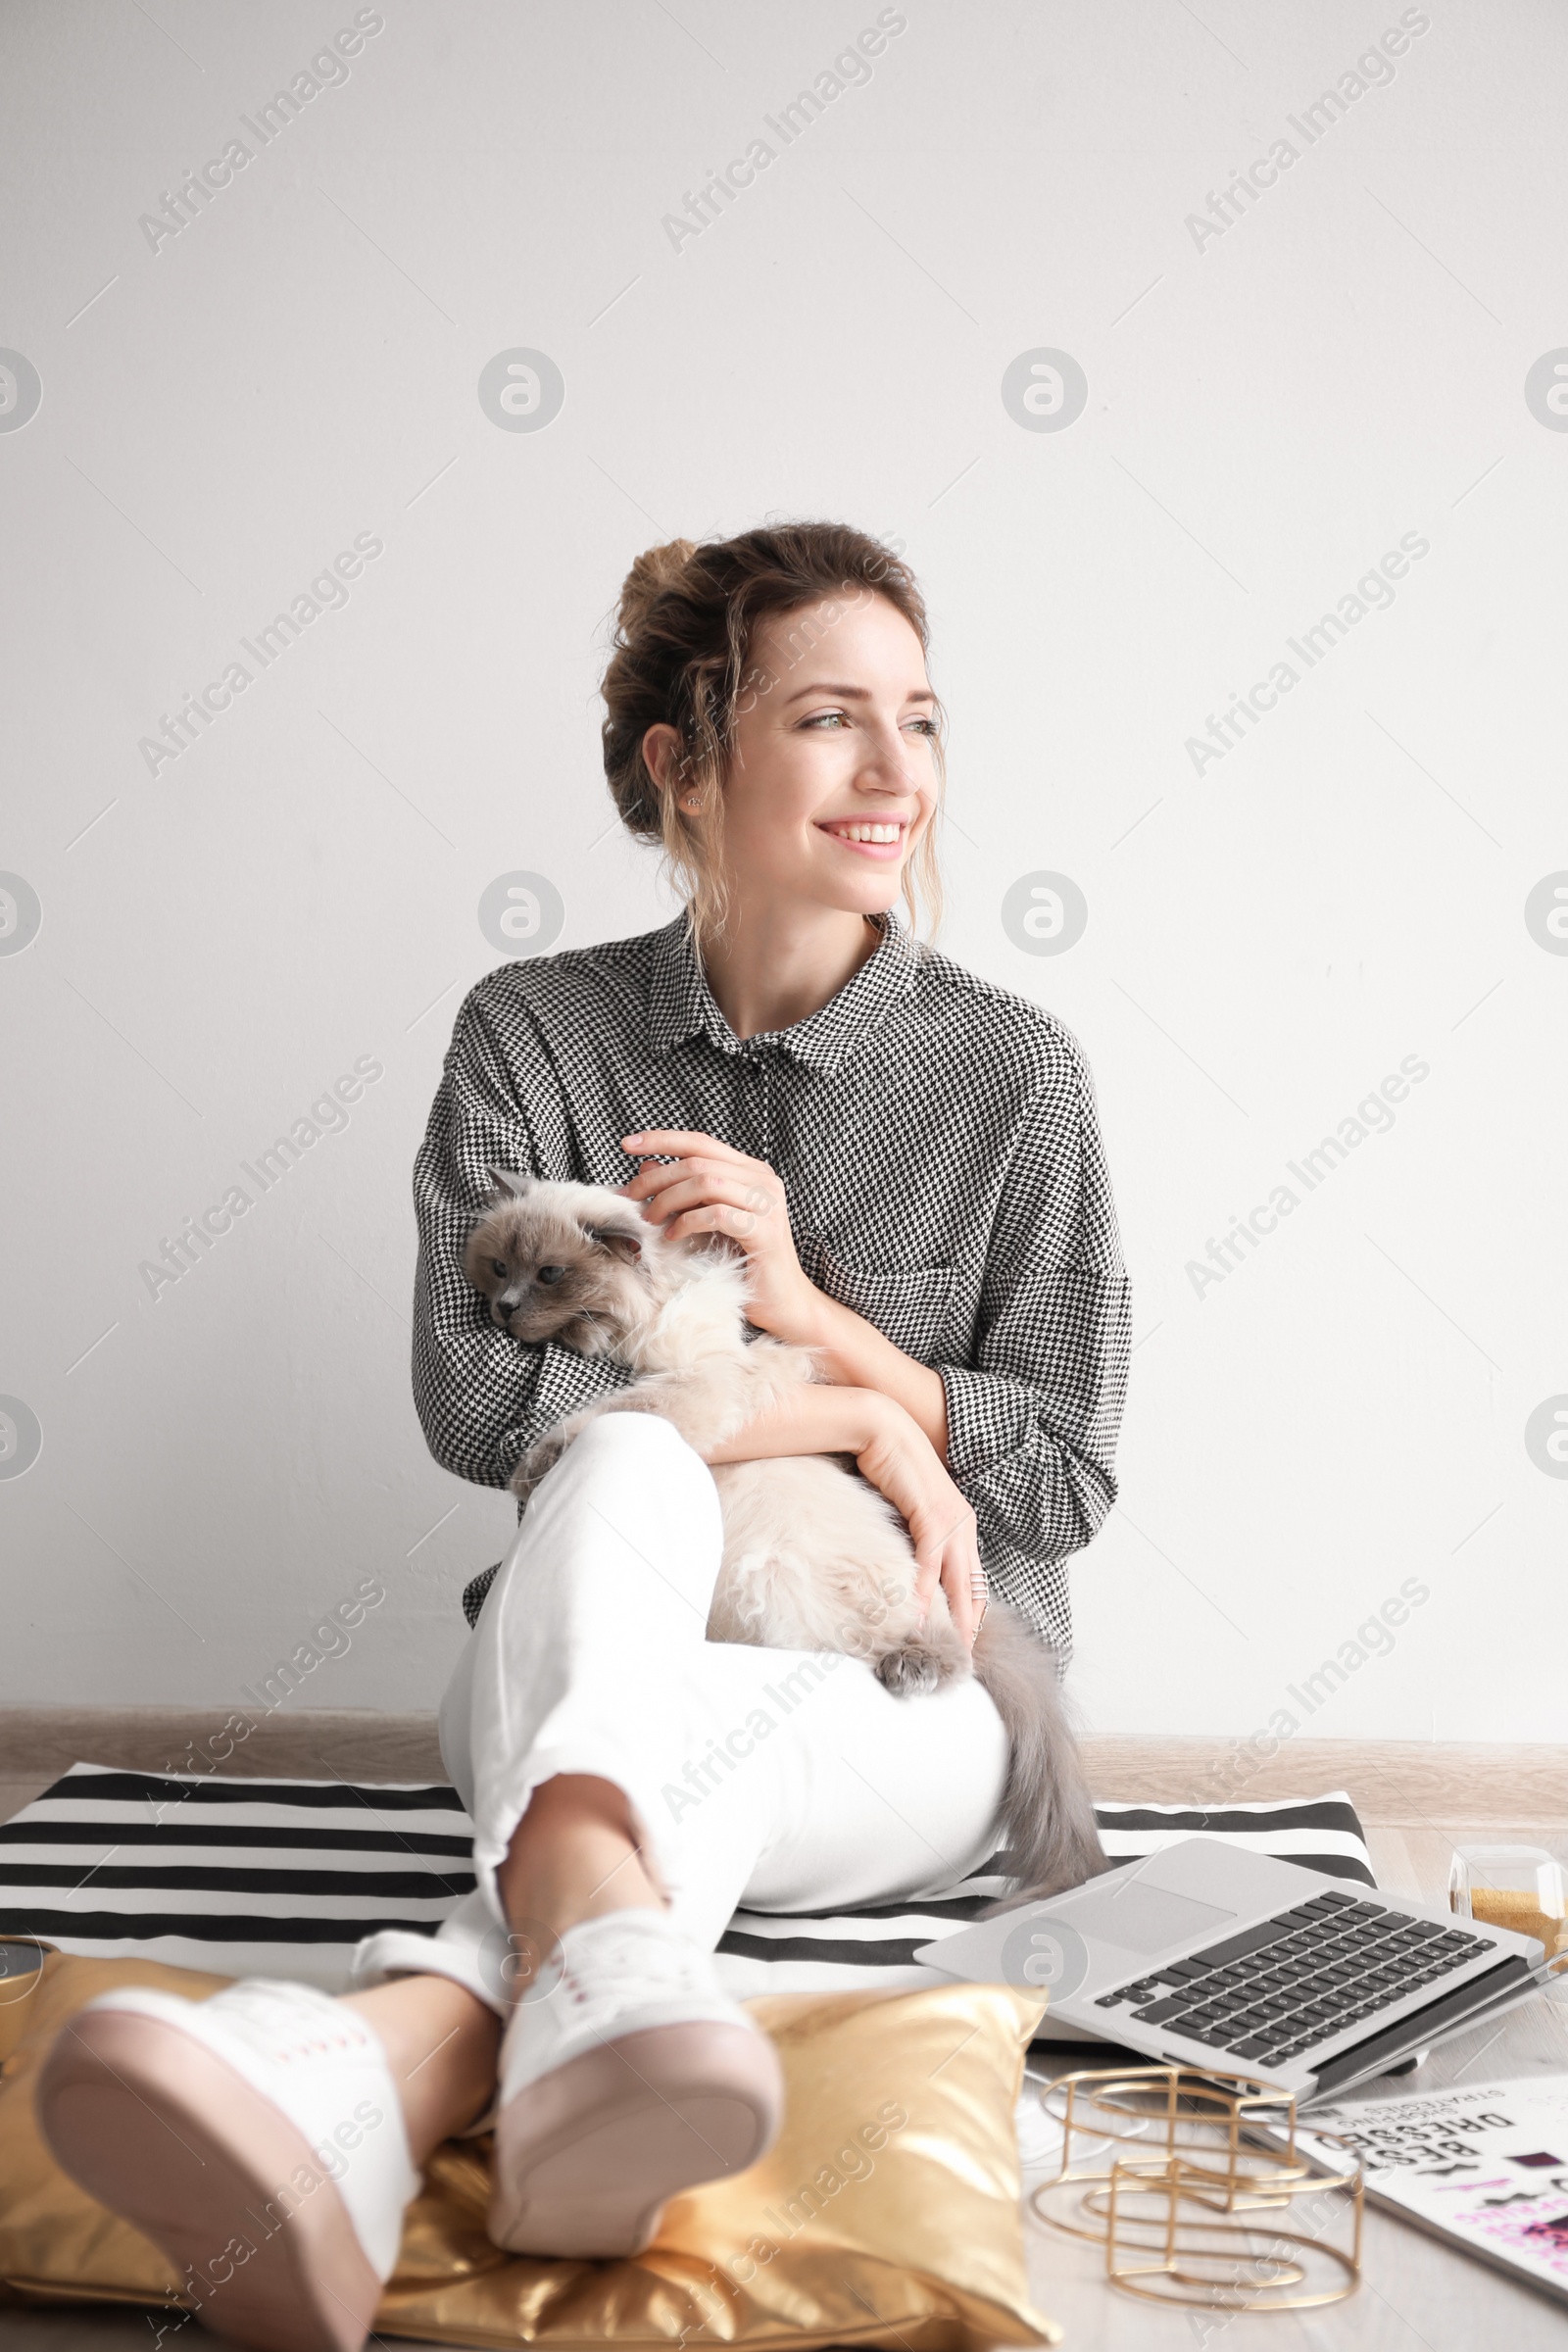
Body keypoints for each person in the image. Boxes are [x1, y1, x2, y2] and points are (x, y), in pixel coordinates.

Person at [37, 523, 1130, 2351]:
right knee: (617, 1463)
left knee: (640, 1664)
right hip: (569, 1650)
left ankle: (377, 2058)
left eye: (921, 724)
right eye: (832, 721)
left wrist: (812, 1310)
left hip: (900, 1702)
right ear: (682, 764)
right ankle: (588, 2030)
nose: (895, 779)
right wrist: (861, 1413)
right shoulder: (533, 1032)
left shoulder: (1018, 1075)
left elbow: (1062, 1473)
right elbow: (485, 1411)